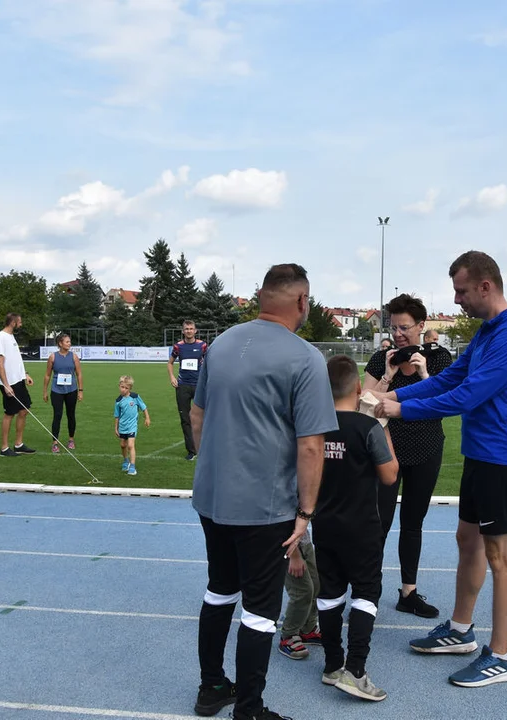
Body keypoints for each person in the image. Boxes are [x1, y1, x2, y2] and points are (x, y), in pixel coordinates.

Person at [373, 250, 507, 689]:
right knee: (468, 539)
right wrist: (400, 398)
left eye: (462, 291)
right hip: (481, 454)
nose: (458, 299)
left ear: (486, 286)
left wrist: (397, 409)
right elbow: (447, 380)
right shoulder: (488, 332)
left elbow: (467, 396)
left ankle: (501, 655)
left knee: (501, 555)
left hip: (504, 458)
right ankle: (461, 630)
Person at [189, 263, 337, 720]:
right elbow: (312, 445)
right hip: (264, 505)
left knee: (219, 590)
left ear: (260, 297)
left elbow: (198, 417)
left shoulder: (224, 342)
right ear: (301, 301)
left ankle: (212, 687)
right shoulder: (305, 357)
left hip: (212, 497)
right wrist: (306, 512)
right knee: (259, 610)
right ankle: (249, 710)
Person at [361, 293, 452, 619]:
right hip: (385, 450)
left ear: (421, 326)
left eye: (405, 327)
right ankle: (367, 593)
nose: (398, 334)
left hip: (426, 448)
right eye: (394, 327)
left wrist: (425, 374)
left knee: (413, 522)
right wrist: (388, 374)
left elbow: (447, 401)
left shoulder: (440, 358)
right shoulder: (380, 357)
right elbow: (364, 404)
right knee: (378, 523)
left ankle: (408, 593)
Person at [315, 355, 399, 701]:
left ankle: (332, 665)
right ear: (358, 388)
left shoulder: (312, 426)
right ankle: (356, 670)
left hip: (324, 524)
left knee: (330, 592)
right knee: (366, 593)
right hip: (361, 527)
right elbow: (390, 474)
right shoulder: (367, 428)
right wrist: (383, 427)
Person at [0, 313, 36, 457]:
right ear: (12, 322)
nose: (21, 324)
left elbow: (15, 360)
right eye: (19, 322)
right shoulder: (0, 338)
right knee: (9, 414)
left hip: (18, 381)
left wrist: (25, 374)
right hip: (9, 383)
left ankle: (19, 444)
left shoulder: (11, 337)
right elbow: (0, 363)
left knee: (24, 410)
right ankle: (4, 448)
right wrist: (6, 385)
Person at [168, 320, 207, 461]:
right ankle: (191, 451)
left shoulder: (202, 346)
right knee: (185, 419)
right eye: (186, 329)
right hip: (182, 386)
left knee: (202, 418)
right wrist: (172, 377)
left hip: (198, 386)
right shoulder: (178, 347)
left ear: (195, 331)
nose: (189, 331)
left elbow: (209, 362)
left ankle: (204, 447)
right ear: (183, 331)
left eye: (191, 328)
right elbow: (170, 362)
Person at [278, 533, 321, 661]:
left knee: (316, 584)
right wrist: (294, 555)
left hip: (303, 541)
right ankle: (288, 635)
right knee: (302, 591)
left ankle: (307, 628)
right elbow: (282, 522)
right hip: (287, 545)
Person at [44, 333, 84, 453]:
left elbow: (79, 374)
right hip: (56, 391)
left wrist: (80, 391)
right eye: (67, 342)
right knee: (57, 415)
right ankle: (55, 442)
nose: (69, 343)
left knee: (71, 415)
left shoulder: (74, 357)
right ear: (60, 343)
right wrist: (45, 391)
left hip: (71, 390)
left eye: (69, 342)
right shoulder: (53, 357)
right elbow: (47, 375)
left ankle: (71, 439)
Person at [114, 375, 150, 476]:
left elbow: (144, 407)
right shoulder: (118, 401)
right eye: (122, 387)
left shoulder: (135, 397)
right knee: (122, 445)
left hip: (132, 426)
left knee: (130, 445)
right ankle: (126, 461)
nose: (123, 390)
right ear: (119, 386)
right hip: (122, 426)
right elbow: (116, 415)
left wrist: (147, 418)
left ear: (130, 388)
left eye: (126, 388)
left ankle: (133, 466)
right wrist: (116, 427)